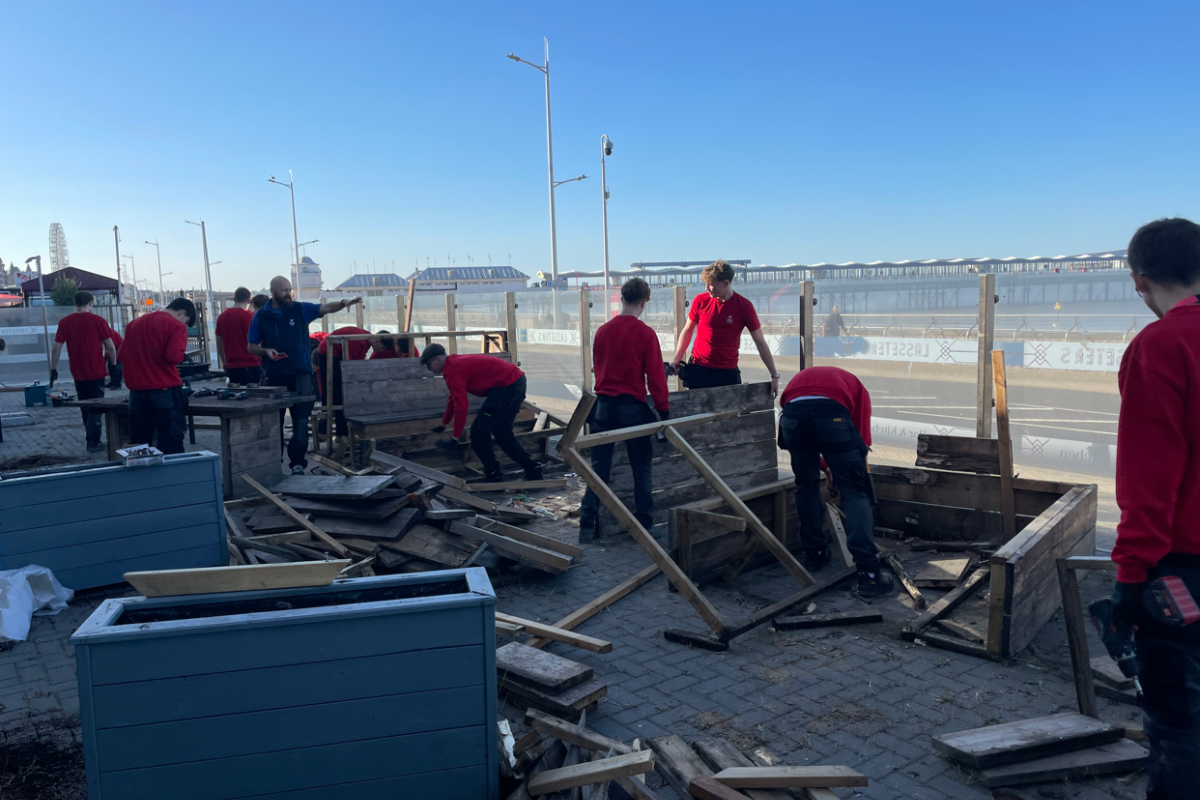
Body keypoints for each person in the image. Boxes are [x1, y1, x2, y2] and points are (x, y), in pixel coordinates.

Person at [1110, 217, 1200, 799]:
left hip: (1183, 567)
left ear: (1140, 282)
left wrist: (1131, 577)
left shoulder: (1162, 345)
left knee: (1177, 721)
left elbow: (1150, 476)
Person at [778, 365, 894, 598]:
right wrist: (845, 472)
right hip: (831, 416)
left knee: (806, 486)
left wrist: (827, 468)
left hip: (793, 417)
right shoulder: (858, 389)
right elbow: (860, 438)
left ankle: (814, 554)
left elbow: (803, 426)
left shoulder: (802, 381)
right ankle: (869, 575)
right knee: (855, 492)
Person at [579, 278, 670, 543]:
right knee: (641, 468)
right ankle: (644, 525)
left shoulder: (603, 330)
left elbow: (599, 367)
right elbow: (655, 378)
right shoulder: (645, 333)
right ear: (644, 301)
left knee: (598, 469)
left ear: (622, 298)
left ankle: (586, 524)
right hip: (633, 408)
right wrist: (663, 412)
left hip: (604, 407)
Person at [247, 277, 362, 475]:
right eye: (283, 290)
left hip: (301, 373)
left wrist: (343, 304)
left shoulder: (300, 309)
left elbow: (324, 309)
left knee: (301, 419)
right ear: (273, 291)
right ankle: (274, 462)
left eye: (289, 289)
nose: (288, 293)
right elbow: (251, 346)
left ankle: (298, 463)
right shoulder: (261, 316)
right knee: (275, 421)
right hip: (274, 375)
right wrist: (265, 351)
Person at [421, 344, 542, 482]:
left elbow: (461, 405)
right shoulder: (454, 363)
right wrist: (444, 424)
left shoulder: (452, 369)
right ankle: (533, 469)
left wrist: (455, 437)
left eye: (428, 365)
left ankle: (493, 474)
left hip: (506, 386)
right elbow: (453, 399)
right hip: (515, 382)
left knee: (479, 433)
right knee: (502, 433)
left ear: (437, 359)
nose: (429, 370)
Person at [669, 260, 780, 395]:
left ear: (726, 283)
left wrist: (774, 375)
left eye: (710, 285)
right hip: (700, 370)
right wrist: (676, 358)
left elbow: (760, 341)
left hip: (728, 373)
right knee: (699, 414)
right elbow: (687, 330)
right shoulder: (700, 300)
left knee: (729, 415)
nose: (706, 288)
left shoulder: (744, 306)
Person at [119, 298, 196, 455]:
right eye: (186, 322)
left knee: (139, 443)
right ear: (182, 313)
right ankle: (172, 477)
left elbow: (121, 356)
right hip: (164, 391)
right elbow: (174, 357)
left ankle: (143, 478)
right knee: (170, 441)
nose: (185, 326)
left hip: (137, 393)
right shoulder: (175, 326)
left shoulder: (134, 324)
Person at [51, 291, 117, 452]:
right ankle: (93, 442)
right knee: (96, 404)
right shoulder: (98, 320)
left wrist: (53, 368)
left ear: (75, 303)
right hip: (97, 369)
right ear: (91, 303)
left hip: (77, 370)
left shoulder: (65, 322)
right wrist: (114, 364)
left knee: (84, 405)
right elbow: (110, 345)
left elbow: (57, 347)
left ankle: (91, 439)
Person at [216, 287, 263, 386]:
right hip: (250, 364)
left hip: (231, 366)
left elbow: (219, 344)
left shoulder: (221, 317)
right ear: (248, 300)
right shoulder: (248, 317)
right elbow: (252, 341)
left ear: (234, 298)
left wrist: (225, 362)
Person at [105, 324, 124, 390]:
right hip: (115, 347)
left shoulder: (108, 333)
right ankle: (113, 382)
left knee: (116, 365)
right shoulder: (106, 331)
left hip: (118, 347)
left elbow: (111, 346)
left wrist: (107, 355)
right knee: (111, 366)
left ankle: (117, 383)